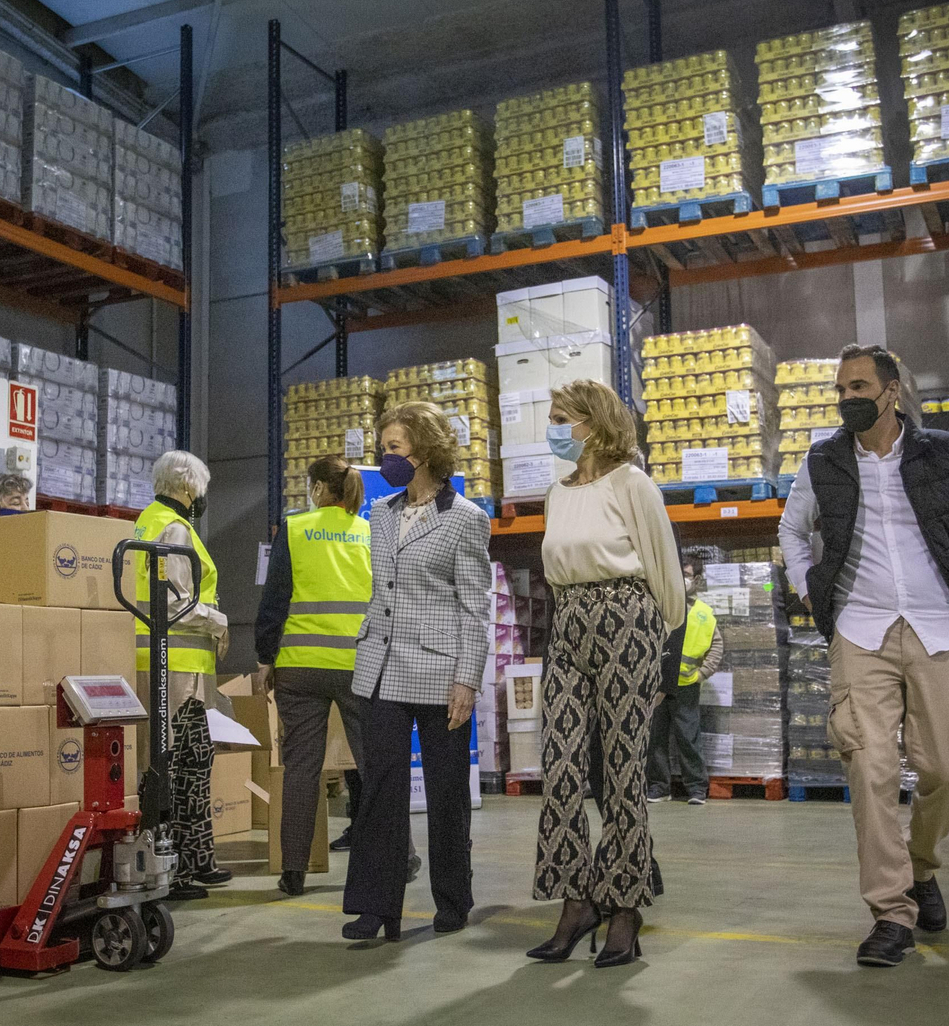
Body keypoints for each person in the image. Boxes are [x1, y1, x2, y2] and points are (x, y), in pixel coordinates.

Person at [779, 343, 949, 968]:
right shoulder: (824, 460)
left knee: (945, 768)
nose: (848, 399)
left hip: (936, 625)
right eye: (842, 389)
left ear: (892, 392)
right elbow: (791, 529)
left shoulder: (939, 454)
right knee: (871, 767)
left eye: (860, 387)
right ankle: (890, 912)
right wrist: (809, 589)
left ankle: (922, 867)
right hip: (860, 630)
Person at [529, 379, 683, 968]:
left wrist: (659, 646)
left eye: (562, 418)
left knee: (622, 769)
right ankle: (576, 900)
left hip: (628, 619)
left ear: (592, 423)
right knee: (561, 765)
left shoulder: (632, 484)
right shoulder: (555, 492)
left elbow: (665, 569)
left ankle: (624, 907)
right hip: (569, 621)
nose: (554, 429)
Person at [342, 402, 492, 941]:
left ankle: (452, 899)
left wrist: (467, 679)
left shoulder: (467, 519)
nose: (386, 457)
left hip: (439, 672)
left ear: (426, 450)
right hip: (380, 668)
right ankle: (376, 907)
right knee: (380, 791)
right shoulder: (379, 514)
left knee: (447, 793)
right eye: (384, 448)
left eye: (395, 447)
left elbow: (475, 607)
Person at [253, 457, 421, 895]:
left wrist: (265, 657)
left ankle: (293, 871)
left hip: (300, 666)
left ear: (317, 489)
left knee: (301, 768)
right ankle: (401, 858)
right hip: (359, 665)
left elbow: (275, 599)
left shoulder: (293, 529)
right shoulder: (370, 532)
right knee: (376, 764)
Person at [134, 450, 232, 901]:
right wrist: (218, 621)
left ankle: (194, 860)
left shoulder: (147, 521)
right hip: (175, 669)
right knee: (181, 767)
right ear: (188, 487)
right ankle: (174, 868)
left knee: (183, 764)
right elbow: (174, 602)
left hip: (171, 667)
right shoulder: (173, 528)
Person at [647, 566, 723, 805]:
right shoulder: (660, 607)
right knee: (655, 739)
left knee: (688, 738)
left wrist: (703, 673)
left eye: (687, 574)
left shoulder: (703, 613)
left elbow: (716, 645)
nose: (682, 579)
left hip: (686, 685)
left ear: (696, 579)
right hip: (657, 685)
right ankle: (659, 788)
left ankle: (697, 789)